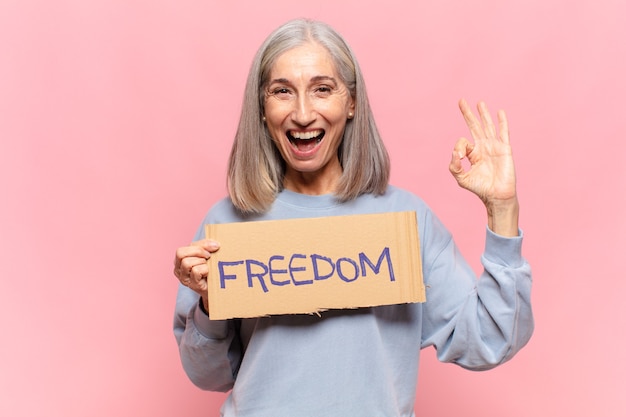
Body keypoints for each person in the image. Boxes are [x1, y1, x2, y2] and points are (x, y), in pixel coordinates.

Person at [173, 18, 533, 417]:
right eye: (282, 92)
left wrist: (502, 209)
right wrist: (210, 304)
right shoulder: (226, 224)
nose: (304, 113)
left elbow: (491, 339)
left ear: (351, 102)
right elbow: (206, 376)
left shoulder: (405, 220)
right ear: (262, 107)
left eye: (322, 89)